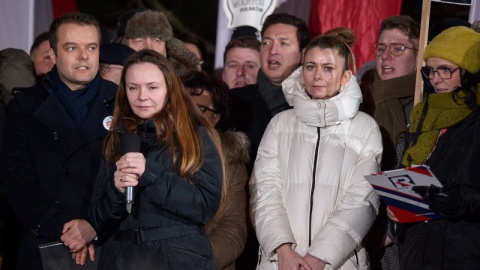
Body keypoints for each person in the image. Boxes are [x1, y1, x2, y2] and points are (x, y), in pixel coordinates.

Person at [250, 35, 382, 270]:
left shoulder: (365, 128)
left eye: (328, 68)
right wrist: (282, 248)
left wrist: (320, 257)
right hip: (281, 262)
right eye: (310, 67)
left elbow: (362, 200)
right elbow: (264, 190)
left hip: (339, 263)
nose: (317, 75)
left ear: (345, 77)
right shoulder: (280, 124)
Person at [0, 12, 118, 270]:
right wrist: (64, 230)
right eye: (72, 47)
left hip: (109, 244)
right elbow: (15, 178)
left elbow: (134, 180)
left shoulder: (124, 104)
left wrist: (94, 226)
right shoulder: (24, 107)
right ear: (53, 54)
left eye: (91, 47)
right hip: (44, 244)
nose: (83, 56)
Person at [88, 49, 224, 269]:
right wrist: (117, 191)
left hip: (178, 259)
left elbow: (204, 205)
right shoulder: (116, 138)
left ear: (169, 89)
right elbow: (98, 218)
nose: (142, 96)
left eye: (152, 87)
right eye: (133, 88)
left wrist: (150, 173)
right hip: (121, 258)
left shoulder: (195, 135)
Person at [394, 26, 480, 269]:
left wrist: (451, 199)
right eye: (430, 70)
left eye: (445, 69)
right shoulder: (423, 115)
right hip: (416, 252)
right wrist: (398, 209)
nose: (435, 78)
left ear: (470, 71)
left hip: (462, 255)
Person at [222, 13, 310, 171]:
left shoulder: (319, 105)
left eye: (284, 43)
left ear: (303, 55)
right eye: (267, 43)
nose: (273, 50)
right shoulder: (232, 102)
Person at [182, 70, 249, 270]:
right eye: (183, 106)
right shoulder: (152, 153)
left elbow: (233, 227)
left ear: (215, 118)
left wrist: (194, 260)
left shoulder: (231, 164)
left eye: (200, 108)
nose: (189, 114)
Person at [116, 9, 199, 76]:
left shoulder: (188, 91)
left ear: (168, 46)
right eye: (139, 41)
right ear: (123, 45)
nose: (149, 47)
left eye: (156, 40)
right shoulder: (108, 91)